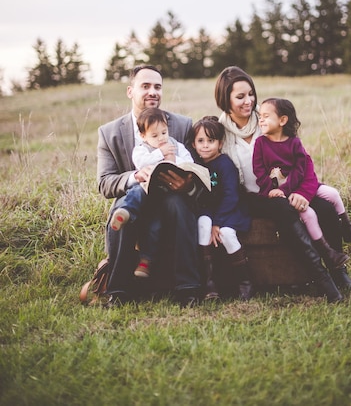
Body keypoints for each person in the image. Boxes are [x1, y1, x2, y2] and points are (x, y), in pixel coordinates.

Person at [214, 66, 351, 301]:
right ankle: (321, 278)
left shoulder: (270, 119)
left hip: (290, 187)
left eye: (251, 94)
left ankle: (338, 270)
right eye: (240, 97)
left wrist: (303, 194)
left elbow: (303, 163)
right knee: (282, 208)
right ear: (225, 100)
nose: (249, 101)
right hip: (253, 197)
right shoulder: (222, 133)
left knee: (327, 209)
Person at [97, 65, 201, 308]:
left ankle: (188, 288)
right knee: (124, 208)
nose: (153, 92)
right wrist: (136, 176)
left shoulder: (183, 125)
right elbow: (105, 183)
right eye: (145, 86)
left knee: (178, 204)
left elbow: (197, 168)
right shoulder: (110, 132)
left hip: (172, 195)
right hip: (135, 195)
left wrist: (187, 184)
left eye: (158, 87)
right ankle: (118, 291)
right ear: (130, 91)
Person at [253, 97, 351, 271]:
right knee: (309, 214)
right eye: (260, 116)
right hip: (279, 194)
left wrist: (290, 189)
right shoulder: (260, 143)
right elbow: (259, 171)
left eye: (266, 116)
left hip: (298, 187)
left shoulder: (294, 143)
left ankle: (347, 228)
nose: (261, 119)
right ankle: (327, 251)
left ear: (282, 120)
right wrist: (271, 190)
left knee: (333, 194)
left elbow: (301, 169)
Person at [109, 107, 195, 279]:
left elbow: (189, 162)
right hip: (146, 190)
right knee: (135, 192)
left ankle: (145, 262)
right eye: (155, 136)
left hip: (166, 194)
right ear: (143, 136)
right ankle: (126, 212)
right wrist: (160, 153)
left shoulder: (175, 146)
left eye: (164, 132)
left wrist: (173, 160)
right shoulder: (141, 149)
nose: (162, 138)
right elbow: (141, 162)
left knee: (155, 225)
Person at [190, 116, 253, 301]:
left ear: (220, 143)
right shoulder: (196, 165)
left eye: (211, 141)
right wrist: (209, 221)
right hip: (209, 210)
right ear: (193, 144)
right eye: (200, 141)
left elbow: (231, 195)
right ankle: (209, 282)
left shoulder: (225, 164)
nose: (205, 145)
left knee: (225, 233)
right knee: (202, 224)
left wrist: (217, 223)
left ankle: (245, 281)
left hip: (231, 209)